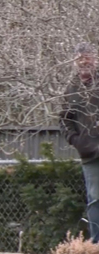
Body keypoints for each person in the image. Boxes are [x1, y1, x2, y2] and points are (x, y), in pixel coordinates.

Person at [60, 42, 99, 243]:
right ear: (75, 62)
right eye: (80, 59)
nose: (85, 62)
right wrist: (76, 140)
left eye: (89, 58)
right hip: (90, 154)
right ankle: (96, 244)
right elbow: (64, 119)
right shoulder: (71, 89)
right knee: (95, 199)